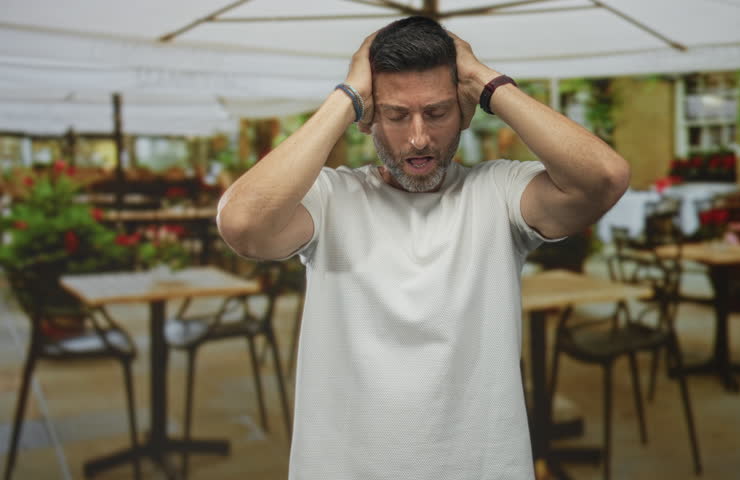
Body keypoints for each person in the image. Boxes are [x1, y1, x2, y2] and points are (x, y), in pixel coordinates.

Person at [217, 16, 629, 480]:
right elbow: (242, 224)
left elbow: (605, 178)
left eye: (436, 113)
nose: (418, 137)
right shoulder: (330, 199)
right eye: (396, 115)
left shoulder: (498, 192)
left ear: (466, 111)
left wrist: (482, 79)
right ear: (368, 118)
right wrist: (349, 95)